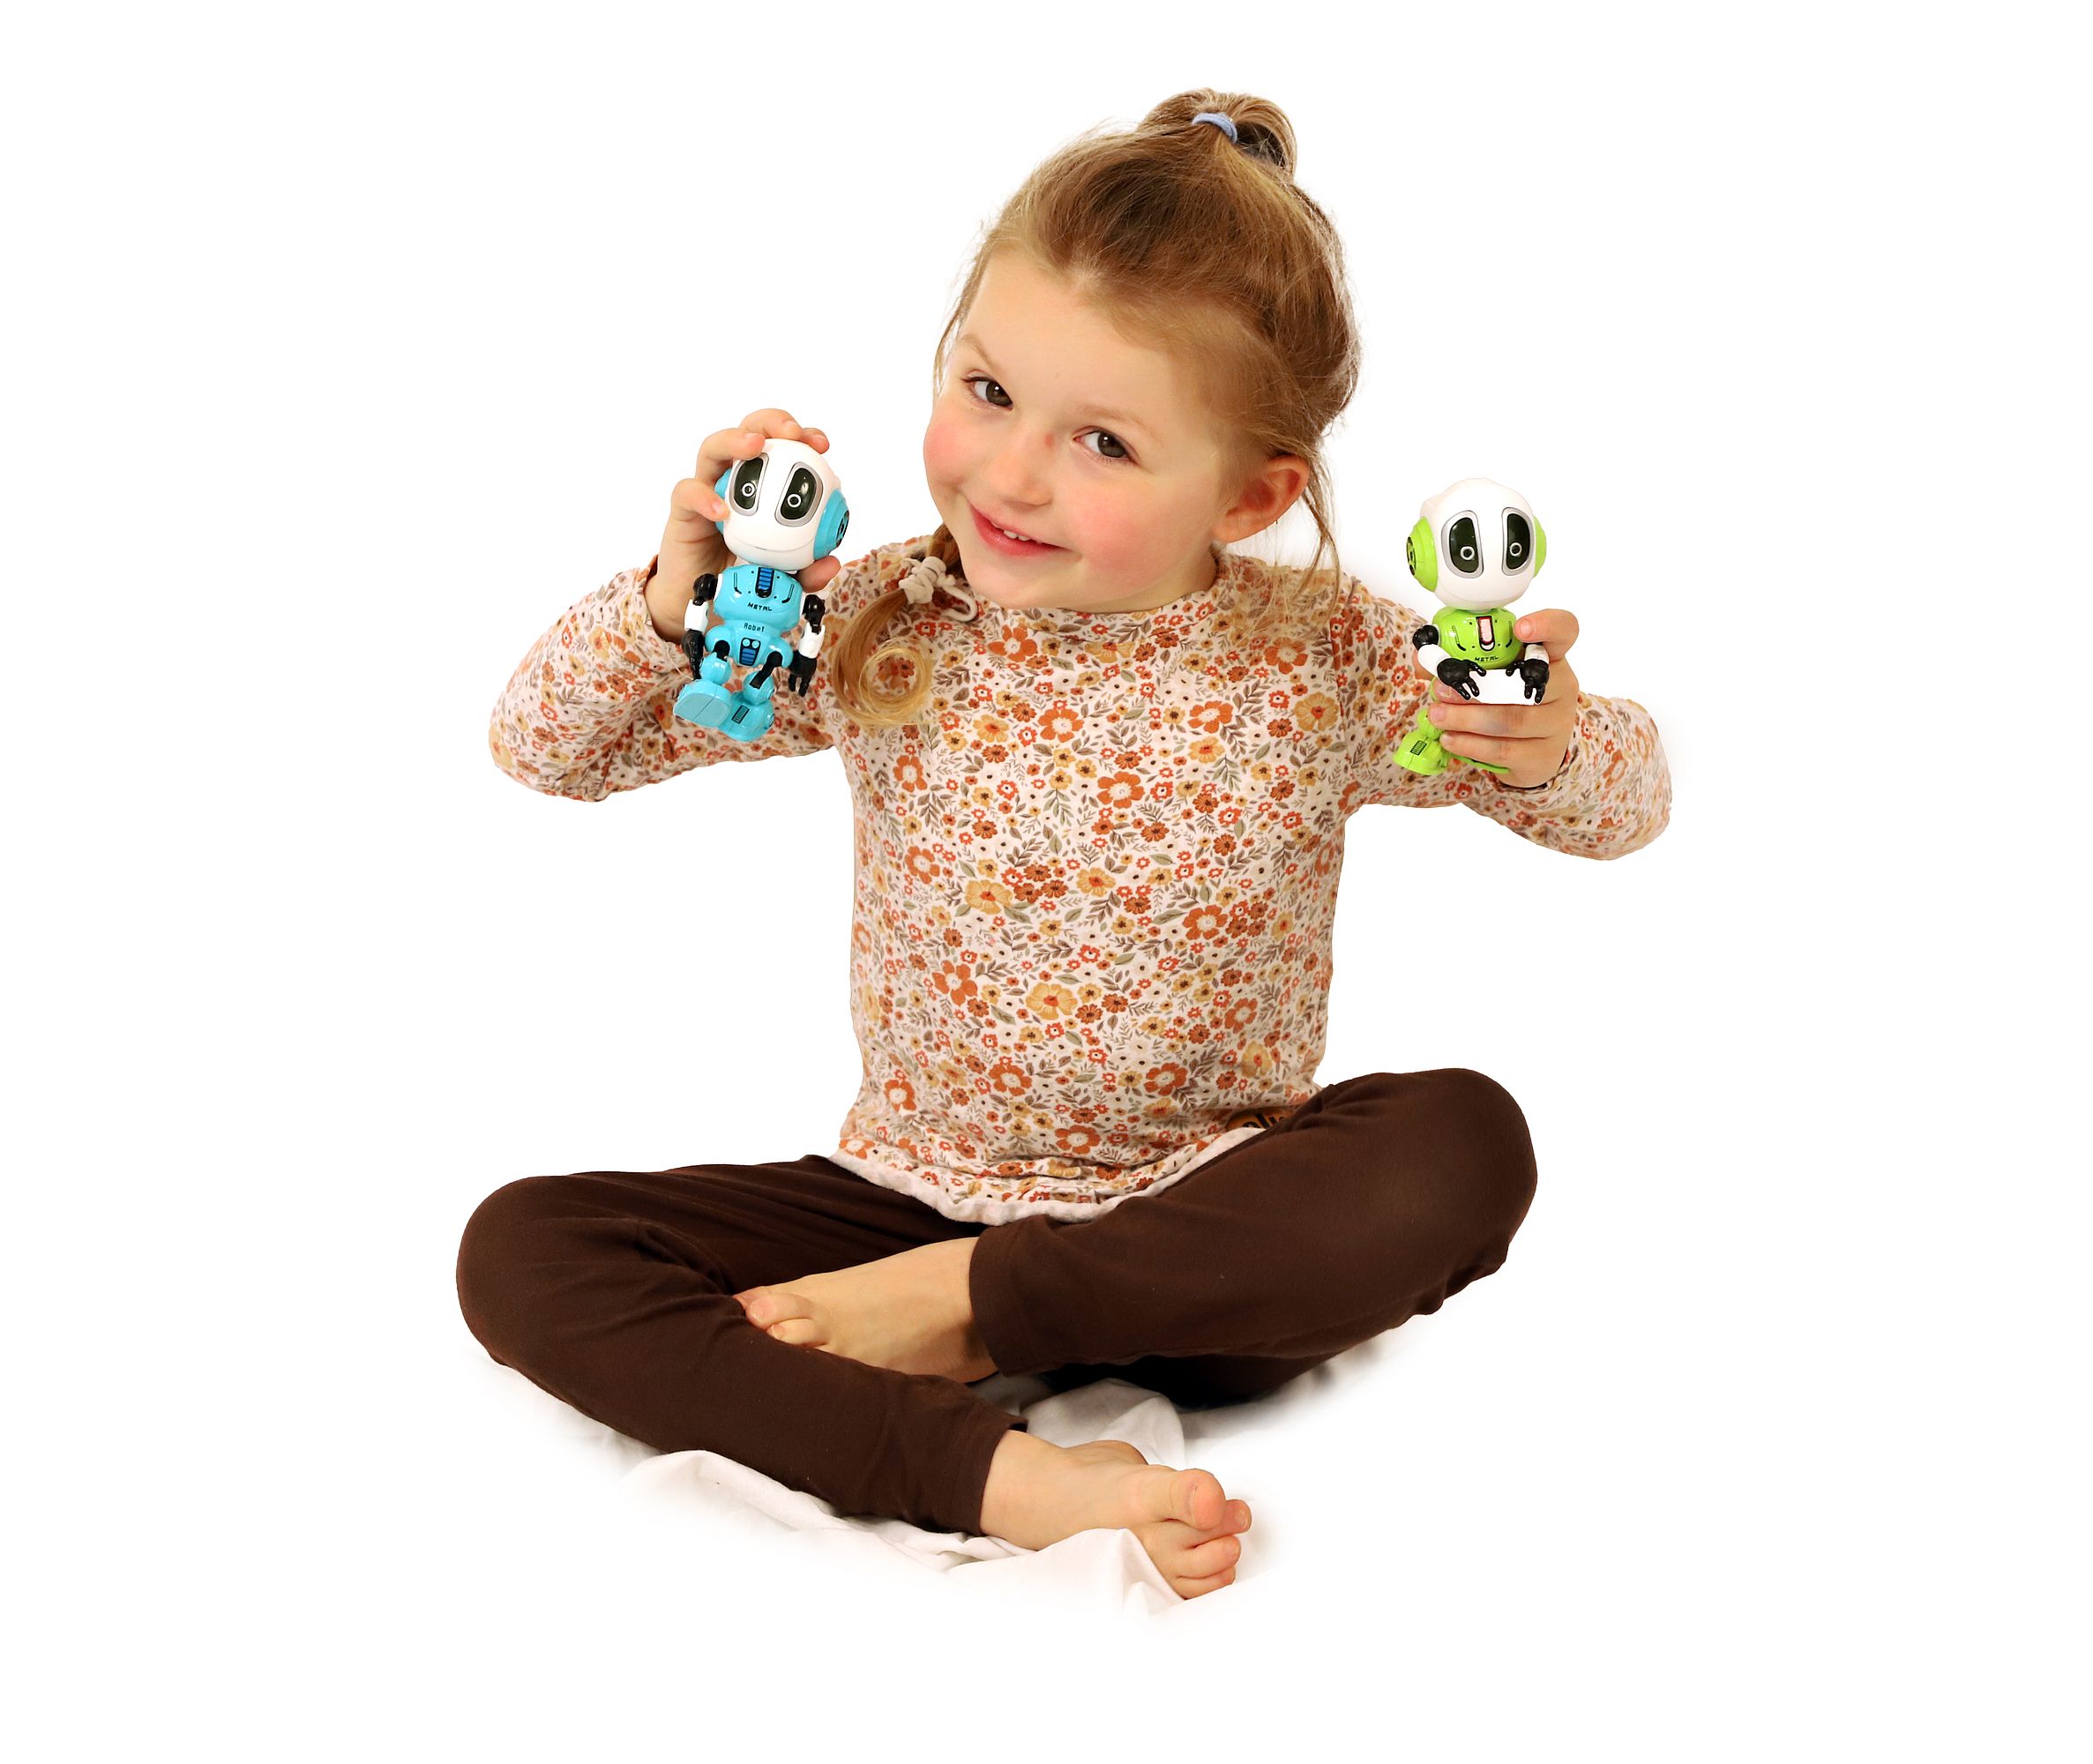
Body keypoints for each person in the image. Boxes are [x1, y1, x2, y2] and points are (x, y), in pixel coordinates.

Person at [458, 90, 1673, 1600]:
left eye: (1102, 441)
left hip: (1204, 1229)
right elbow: (547, 747)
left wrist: (1555, 742)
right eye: (986, 390)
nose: (1012, 475)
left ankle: (969, 1310)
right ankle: (994, 1472)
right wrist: (669, 597)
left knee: (1467, 1141)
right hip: (902, 1199)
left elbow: (1629, 807)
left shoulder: (1321, 655)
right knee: (524, 1248)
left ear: (1253, 491)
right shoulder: (883, 618)